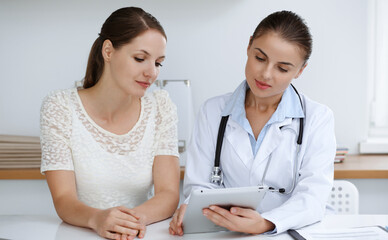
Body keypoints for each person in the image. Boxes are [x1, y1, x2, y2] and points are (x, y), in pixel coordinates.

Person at [169, 10, 336, 235]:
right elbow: (199, 187)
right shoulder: (212, 112)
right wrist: (191, 207)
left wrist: (266, 222)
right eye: (260, 58)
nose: (266, 74)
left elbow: (313, 197)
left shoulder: (318, 118)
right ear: (249, 46)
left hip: (292, 232)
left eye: (282, 68)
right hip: (226, 233)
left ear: (300, 70)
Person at [40, 7, 180, 240]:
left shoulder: (161, 107)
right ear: (108, 51)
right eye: (140, 58)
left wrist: (126, 222)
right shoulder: (60, 107)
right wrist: (98, 219)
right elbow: (64, 200)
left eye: (158, 63)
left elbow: (168, 193)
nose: (152, 72)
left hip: (137, 234)